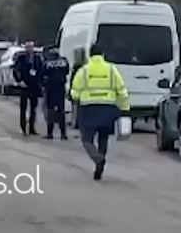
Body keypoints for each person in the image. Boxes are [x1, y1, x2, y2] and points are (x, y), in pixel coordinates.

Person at [69, 44, 129, 181]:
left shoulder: (83, 71)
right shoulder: (112, 70)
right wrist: (124, 108)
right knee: (104, 137)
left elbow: (75, 92)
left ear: (90, 55)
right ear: (103, 55)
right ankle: (99, 167)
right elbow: (122, 90)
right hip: (108, 108)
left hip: (88, 109)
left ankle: (97, 158)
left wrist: (76, 98)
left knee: (86, 139)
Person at [11, 41, 45, 136]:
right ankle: (23, 127)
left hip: (34, 85)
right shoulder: (21, 58)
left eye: (31, 47)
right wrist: (19, 81)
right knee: (23, 107)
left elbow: (41, 70)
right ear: (25, 48)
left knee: (33, 108)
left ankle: (32, 128)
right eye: (28, 47)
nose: (29, 49)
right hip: (24, 85)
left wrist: (40, 82)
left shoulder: (37, 58)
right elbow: (15, 69)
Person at [42, 46, 70, 140]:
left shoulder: (47, 62)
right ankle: (63, 133)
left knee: (50, 111)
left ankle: (50, 133)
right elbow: (67, 71)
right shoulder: (64, 61)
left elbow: (43, 73)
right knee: (61, 111)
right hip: (60, 88)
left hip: (50, 89)